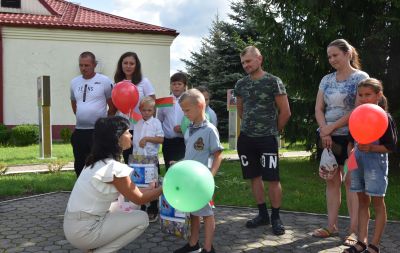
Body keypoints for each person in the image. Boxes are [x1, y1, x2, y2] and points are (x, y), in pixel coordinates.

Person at [63, 116, 163, 252]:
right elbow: (139, 198)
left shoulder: (95, 162)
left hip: (73, 225)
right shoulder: (113, 168)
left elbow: (130, 193)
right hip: (85, 231)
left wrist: (150, 189)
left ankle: (91, 248)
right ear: (117, 138)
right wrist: (165, 188)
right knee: (142, 218)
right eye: (127, 132)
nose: (131, 135)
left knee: (129, 206)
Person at [314, 39, 369, 245]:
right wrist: (325, 131)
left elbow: (357, 109)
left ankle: (353, 231)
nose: (332, 59)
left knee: (351, 182)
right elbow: (319, 108)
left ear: (348, 54)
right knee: (331, 180)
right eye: (329, 56)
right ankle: (331, 226)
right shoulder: (326, 80)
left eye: (335, 55)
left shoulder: (360, 77)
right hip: (327, 138)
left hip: (352, 138)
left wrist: (331, 127)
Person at [234, 46, 291, 235]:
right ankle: (262, 214)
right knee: (254, 177)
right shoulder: (241, 84)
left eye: (248, 61)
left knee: (272, 178)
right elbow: (241, 110)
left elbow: (285, 112)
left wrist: (273, 131)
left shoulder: (273, 81)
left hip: (267, 139)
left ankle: (276, 216)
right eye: (243, 63)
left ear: (260, 59)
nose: (246, 65)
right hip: (246, 139)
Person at [342, 78, 397, 253]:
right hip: (358, 163)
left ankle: (374, 245)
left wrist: (372, 147)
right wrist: (350, 164)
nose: (364, 98)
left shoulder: (384, 118)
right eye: (361, 95)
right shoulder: (356, 115)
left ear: (378, 95)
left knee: (377, 202)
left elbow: (391, 147)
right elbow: (351, 143)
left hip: (376, 164)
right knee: (362, 201)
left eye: (368, 95)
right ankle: (361, 241)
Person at [173, 89, 223, 253]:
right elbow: (191, 155)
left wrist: (210, 177)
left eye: (187, 110)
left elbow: (218, 156)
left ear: (200, 106)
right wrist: (180, 164)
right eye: (183, 110)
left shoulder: (209, 130)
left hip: (203, 182)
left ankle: (208, 248)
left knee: (207, 214)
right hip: (190, 180)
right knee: (193, 211)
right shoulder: (189, 130)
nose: (185, 113)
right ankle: (193, 244)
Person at [70, 51, 116, 177]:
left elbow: (112, 106)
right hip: (80, 131)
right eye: (81, 65)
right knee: (80, 164)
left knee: (98, 164)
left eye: (86, 65)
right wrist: (82, 115)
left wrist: (104, 125)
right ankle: (81, 190)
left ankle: (98, 191)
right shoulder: (74, 82)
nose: (83, 68)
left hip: (97, 131)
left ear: (94, 65)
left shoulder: (105, 81)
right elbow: (74, 103)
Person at [114, 52, 156, 164]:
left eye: (131, 63)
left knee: (144, 160)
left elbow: (152, 104)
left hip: (142, 128)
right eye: (125, 63)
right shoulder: (117, 83)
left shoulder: (144, 82)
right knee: (128, 160)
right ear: (121, 65)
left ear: (136, 66)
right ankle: (130, 182)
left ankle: (149, 181)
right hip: (125, 129)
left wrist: (152, 126)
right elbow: (115, 107)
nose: (128, 66)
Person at [132, 96, 164, 222]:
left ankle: (153, 209)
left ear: (153, 110)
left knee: (152, 184)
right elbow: (135, 142)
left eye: (149, 110)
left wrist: (147, 139)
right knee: (140, 184)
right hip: (139, 160)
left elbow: (161, 139)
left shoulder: (156, 123)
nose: (146, 113)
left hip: (151, 159)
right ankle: (142, 207)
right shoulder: (138, 123)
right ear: (140, 110)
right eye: (144, 110)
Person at [157, 72, 187, 170]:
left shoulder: (189, 100)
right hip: (168, 141)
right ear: (170, 86)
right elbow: (160, 120)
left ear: (184, 86)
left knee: (183, 167)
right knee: (169, 167)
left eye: (179, 84)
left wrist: (183, 128)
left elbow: (193, 119)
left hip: (184, 141)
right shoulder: (165, 101)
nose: (176, 87)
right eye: (174, 84)